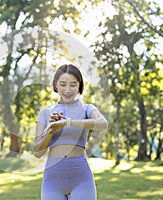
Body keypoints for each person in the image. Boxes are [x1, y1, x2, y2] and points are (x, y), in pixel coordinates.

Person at [34, 64, 108, 200]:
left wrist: (67, 122)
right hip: (53, 179)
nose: (67, 90)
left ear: (80, 86)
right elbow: (38, 152)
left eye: (73, 85)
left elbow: (102, 123)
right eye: (62, 84)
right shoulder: (45, 113)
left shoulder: (87, 109)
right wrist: (51, 130)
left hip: (81, 178)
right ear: (55, 85)